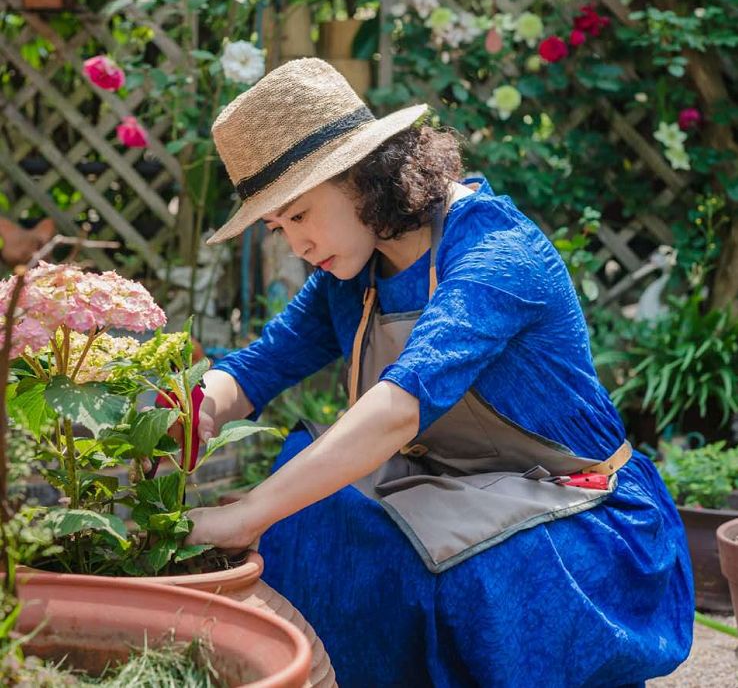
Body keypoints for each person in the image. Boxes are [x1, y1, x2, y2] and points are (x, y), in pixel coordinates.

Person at [185, 58, 693, 687]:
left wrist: (247, 514)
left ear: (361, 176)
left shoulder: (496, 253)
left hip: (581, 509)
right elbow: (258, 369)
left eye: (301, 213)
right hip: (455, 493)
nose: (297, 246)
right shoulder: (351, 273)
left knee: (466, 570)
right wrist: (194, 410)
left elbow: (400, 406)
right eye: (279, 226)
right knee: (316, 512)